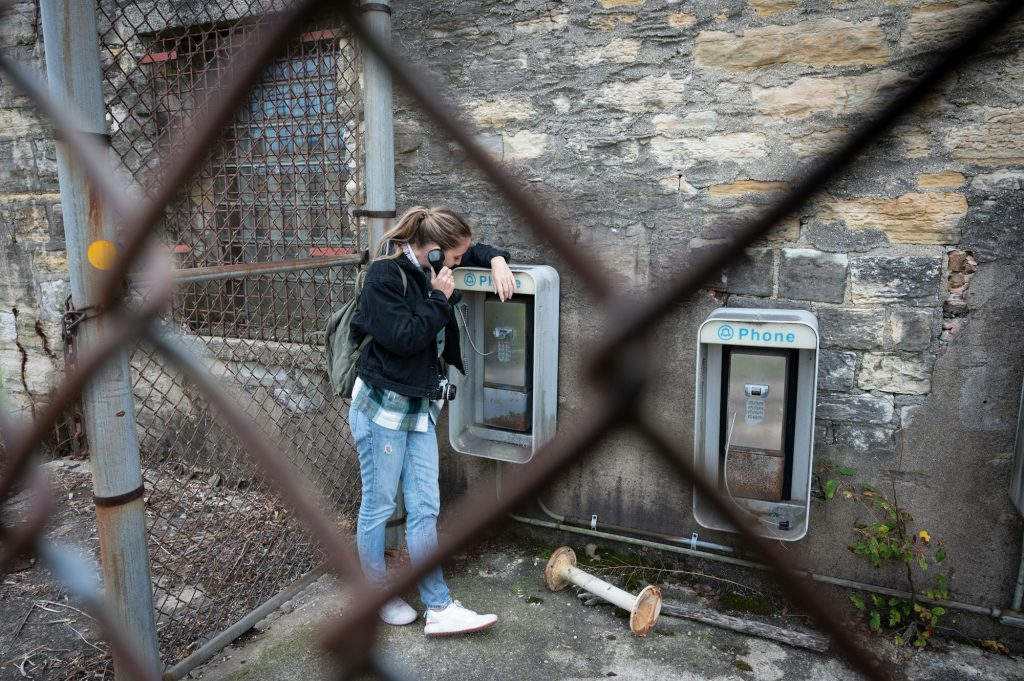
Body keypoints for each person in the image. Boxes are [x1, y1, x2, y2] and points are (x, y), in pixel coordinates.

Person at [348, 205, 515, 637]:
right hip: (382, 410)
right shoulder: (384, 277)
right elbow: (404, 338)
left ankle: (439, 607)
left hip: (419, 408)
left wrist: (495, 259)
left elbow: (474, 248)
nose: (459, 266)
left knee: (425, 506)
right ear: (436, 252)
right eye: (455, 260)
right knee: (380, 506)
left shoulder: (433, 264)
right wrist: (440, 298)